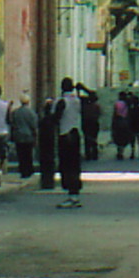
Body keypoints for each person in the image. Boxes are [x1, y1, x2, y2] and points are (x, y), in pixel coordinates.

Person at [54, 77, 83, 208]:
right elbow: (93, 97)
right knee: (75, 166)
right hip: (76, 134)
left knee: (66, 166)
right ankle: (74, 194)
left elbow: (56, 118)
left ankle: (71, 195)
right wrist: (82, 89)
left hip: (65, 135)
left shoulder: (62, 102)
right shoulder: (77, 100)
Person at [9, 93, 37, 178]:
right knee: (28, 154)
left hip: (19, 136)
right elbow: (34, 125)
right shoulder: (31, 113)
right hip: (28, 136)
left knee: (21, 154)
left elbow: (12, 123)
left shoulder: (16, 112)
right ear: (28, 102)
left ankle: (22, 170)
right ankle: (28, 170)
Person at [37, 99, 58, 190]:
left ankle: (45, 182)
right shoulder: (53, 120)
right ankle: (50, 182)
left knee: (44, 164)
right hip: (51, 143)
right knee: (50, 163)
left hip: (43, 144)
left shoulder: (42, 120)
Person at [81, 88, 101, 161]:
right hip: (94, 122)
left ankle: (88, 154)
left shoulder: (85, 106)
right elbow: (99, 114)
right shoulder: (96, 106)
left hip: (86, 122)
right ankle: (94, 154)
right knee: (94, 139)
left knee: (87, 138)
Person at [111, 91, 132, 160]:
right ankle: (121, 151)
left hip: (118, 121)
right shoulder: (127, 104)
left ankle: (119, 152)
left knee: (118, 137)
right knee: (123, 137)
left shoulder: (117, 103)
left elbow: (115, 113)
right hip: (125, 122)